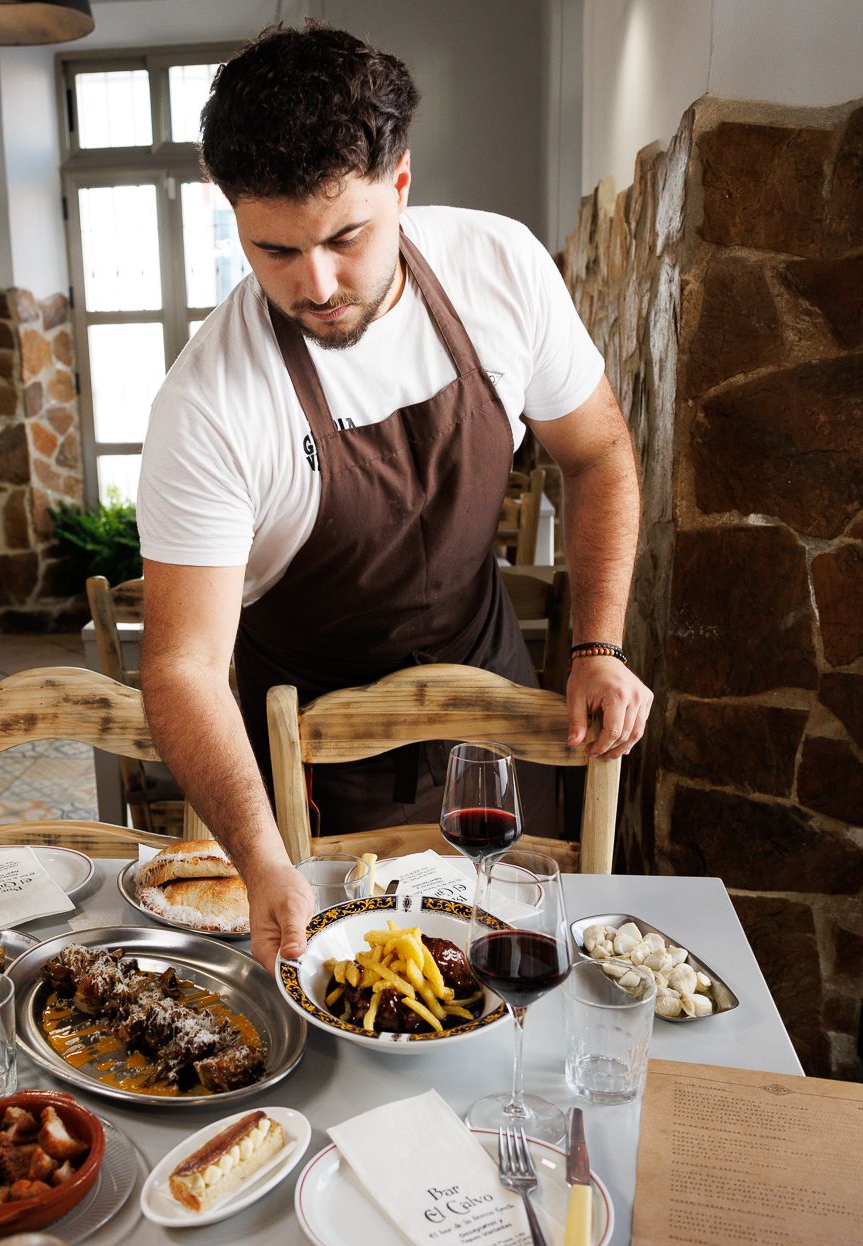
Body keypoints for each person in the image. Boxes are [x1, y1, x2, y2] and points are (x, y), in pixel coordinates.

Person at [137, 23, 652, 967]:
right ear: (230, 209)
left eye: (346, 236)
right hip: (318, 776)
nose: (318, 283)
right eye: (276, 250)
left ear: (402, 184)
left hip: (495, 731)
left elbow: (601, 453)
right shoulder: (207, 401)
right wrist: (259, 859)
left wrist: (597, 645)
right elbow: (181, 666)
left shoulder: (499, 269)